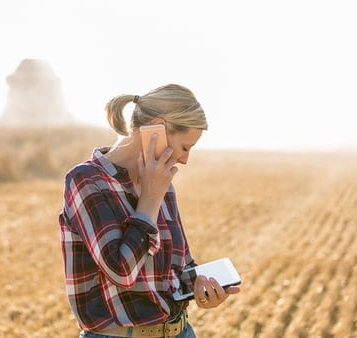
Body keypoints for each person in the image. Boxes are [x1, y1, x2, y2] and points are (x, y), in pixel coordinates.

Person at [58, 84, 240, 338]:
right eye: (185, 147)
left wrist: (199, 286)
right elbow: (121, 273)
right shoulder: (88, 181)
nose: (185, 160)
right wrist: (150, 198)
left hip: (181, 332)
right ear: (157, 129)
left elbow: (179, 267)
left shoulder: (163, 183)